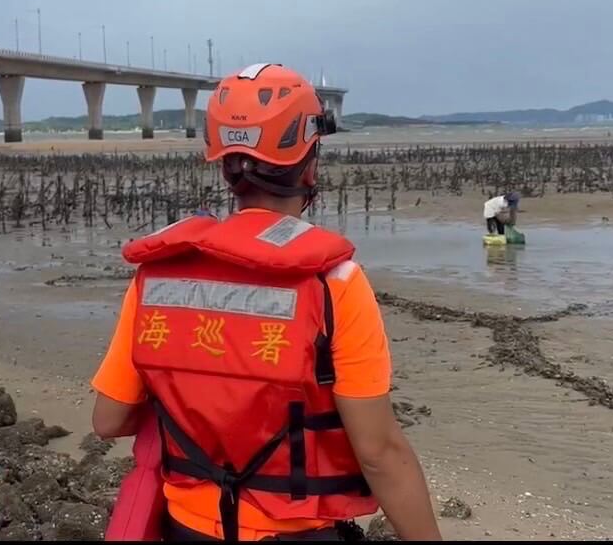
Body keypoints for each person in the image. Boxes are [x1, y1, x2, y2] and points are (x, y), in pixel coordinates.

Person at [91, 63, 441, 541]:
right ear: (309, 163)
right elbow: (379, 454)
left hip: (185, 529)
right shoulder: (334, 283)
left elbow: (108, 419)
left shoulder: (157, 277)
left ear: (224, 165)